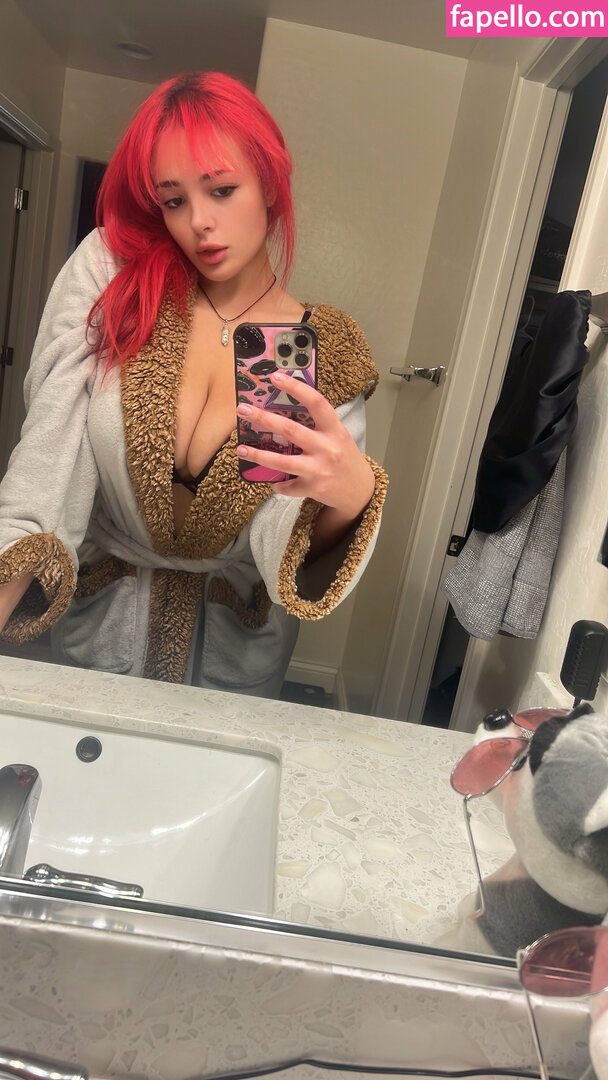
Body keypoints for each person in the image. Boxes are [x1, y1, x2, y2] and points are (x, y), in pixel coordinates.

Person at [0, 72, 388, 696]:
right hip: (101, 636)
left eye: (222, 190)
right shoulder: (118, 282)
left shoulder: (305, 346)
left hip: (232, 661)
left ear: (270, 183)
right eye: (173, 200)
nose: (199, 222)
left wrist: (348, 503)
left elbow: (282, 534)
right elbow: (47, 461)